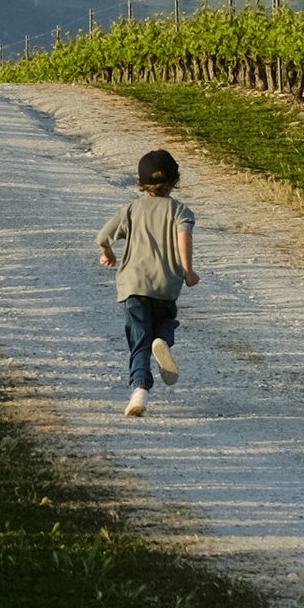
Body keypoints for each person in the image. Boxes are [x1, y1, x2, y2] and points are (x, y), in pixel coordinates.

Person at [97, 147, 198, 414]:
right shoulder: (180, 211)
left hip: (133, 286)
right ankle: (162, 339)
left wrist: (108, 253)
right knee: (166, 320)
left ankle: (140, 389)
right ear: (175, 180)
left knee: (139, 338)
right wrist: (188, 271)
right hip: (165, 285)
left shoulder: (131, 210)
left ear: (140, 182)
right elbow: (183, 239)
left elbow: (103, 237)